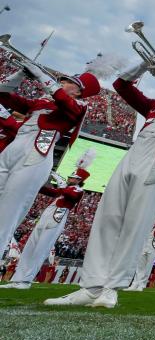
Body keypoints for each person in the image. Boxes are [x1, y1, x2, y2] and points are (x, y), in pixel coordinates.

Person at [46, 38, 155, 309]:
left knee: (135, 224)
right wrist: (144, 65)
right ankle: (90, 285)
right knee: (108, 217)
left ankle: (112, 287)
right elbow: (121, 86)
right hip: (133, 156)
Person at [0, 57, 107, 253]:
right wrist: (21, 73)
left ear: (78, 90)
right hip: (13, 149)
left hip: (36, 153)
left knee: (8, 213)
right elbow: (3, 93)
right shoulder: (42, 101)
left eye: (68, 82)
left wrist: (41, 75)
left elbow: (61, 99)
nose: (62, 82)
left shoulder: (79, 106)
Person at [1, 150, 94, 288]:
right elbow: (52, 192)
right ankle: (17, 279)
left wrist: (62, 183)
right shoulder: (65, 189)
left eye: (72, 178)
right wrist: (35, 184)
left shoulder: (77, 191)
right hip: (48, 214)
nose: (69, 178)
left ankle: (26, 280)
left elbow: (70, 195)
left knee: (41, 249)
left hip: (58, 216)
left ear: (78, 180)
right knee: (30, 246)